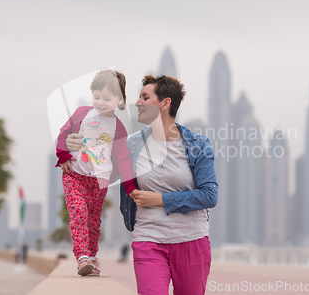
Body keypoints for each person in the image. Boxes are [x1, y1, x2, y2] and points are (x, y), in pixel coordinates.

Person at [121, 75, 218, 295]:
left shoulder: (197, 145)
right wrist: (69, 150)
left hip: (191, 240)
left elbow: (209, 196)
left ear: (165, 103)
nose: (138, 103)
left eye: (145, 97)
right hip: (149, 239)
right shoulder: (132, 145)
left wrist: (161, 200)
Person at [55, 68, 136, 276]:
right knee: (79, 212)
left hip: (99, 182)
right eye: (96, 96)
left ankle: (91, 256)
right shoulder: (82, 113)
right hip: (74, 175)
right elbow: (63, 133)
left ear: (119, 100)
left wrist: (129, 184)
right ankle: (82, 256)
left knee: (94, 220)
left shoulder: (119, 128)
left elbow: (123, 158)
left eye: (106, 98)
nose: (100, 102)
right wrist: (63, 155)